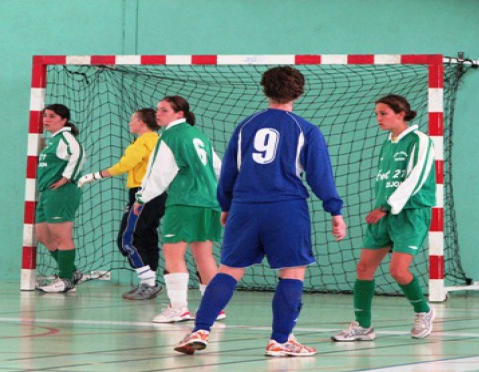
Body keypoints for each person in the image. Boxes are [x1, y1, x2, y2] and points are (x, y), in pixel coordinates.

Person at [174, 66, 347, 357]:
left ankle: (200, 330)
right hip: (286, 207)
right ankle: (280, 340)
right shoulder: (305, 129)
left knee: (229, 269)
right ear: (298, 93)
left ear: (265, 90)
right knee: (292, 272)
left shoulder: (245, 126)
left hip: (245, 206)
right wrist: (335, 211)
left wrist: (227, 205)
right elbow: (320, 176)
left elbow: (229, 170)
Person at [332, 94, 436, 342]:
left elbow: (416, 178)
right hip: (383, 213)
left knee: (398, 271)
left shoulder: (420, 140)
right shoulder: (387, 142)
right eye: (376, 114)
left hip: (410, 213)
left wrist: (387, 206)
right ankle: (363, 326)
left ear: (401, 114)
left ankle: (424, 310)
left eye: (383, 113)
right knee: (364, 267)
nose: (378, 118)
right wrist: (382, 207)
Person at [133, 95, 224, 323]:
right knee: (203, 255)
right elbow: (218, 167)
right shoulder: (199, 136)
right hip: (209, 201)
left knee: (172, 253)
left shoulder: (170, 137)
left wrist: (141, 198)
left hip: (184, 201)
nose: (158, 114)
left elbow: (158, 173)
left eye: (164, 110)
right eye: (157, 110)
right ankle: (214, 308)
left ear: (179, 114)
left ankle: (178, 307)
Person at [78, 108, 167, 300]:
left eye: (132, 120)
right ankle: (148, 282)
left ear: (142, 123)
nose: (129, 123)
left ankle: (149, 283)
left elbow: (124, 165)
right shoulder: (158, 140)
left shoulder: (144, 141)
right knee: (147, 236)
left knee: (128, 240)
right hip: (159, 194)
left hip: (143, 193)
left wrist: (95, 176)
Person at [36, 104, 86, 293]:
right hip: (47, 193)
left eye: (52, 116)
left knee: (61, 236)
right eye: (45, 116)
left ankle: (65, 279)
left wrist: (66, 177)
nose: (46, 120)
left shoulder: (66, 138)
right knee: (42, 234)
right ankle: (73, 272)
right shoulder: (53, 140)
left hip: (62, 192)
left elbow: (78, 154)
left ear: (64, 120)